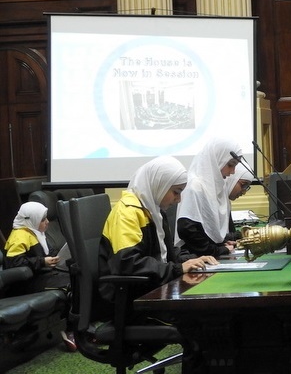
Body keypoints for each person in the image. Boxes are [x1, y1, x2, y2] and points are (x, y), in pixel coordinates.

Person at [99, 156, 218, 305]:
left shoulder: (152, 209)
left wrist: (191, 260)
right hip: (132, 300)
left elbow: (163, 253)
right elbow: (129, 263)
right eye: (176, 192)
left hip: (151, 288)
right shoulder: (127, 213)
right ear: (159, 185)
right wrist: (177, 269)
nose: (179, 199)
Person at [4, 201, 76, 351]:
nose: (47, 222)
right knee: (72, 286)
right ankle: (72, 331)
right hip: (28, 283)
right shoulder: (19, 236)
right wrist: (42, 262)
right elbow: (14, 263)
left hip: (43, 276)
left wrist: (53, 259)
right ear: (32, 220)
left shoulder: (36, 233)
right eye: (43, 219)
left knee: (79, 278)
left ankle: (81, 325)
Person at [175, 137, 243, 258]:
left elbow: (207, 230)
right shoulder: (195, 186)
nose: (232, 172)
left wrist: (221, 242)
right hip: (196, 258)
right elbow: (187, 230)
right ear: (216, 159)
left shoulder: (217, 187)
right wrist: (216, 250)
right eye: (230, 165)